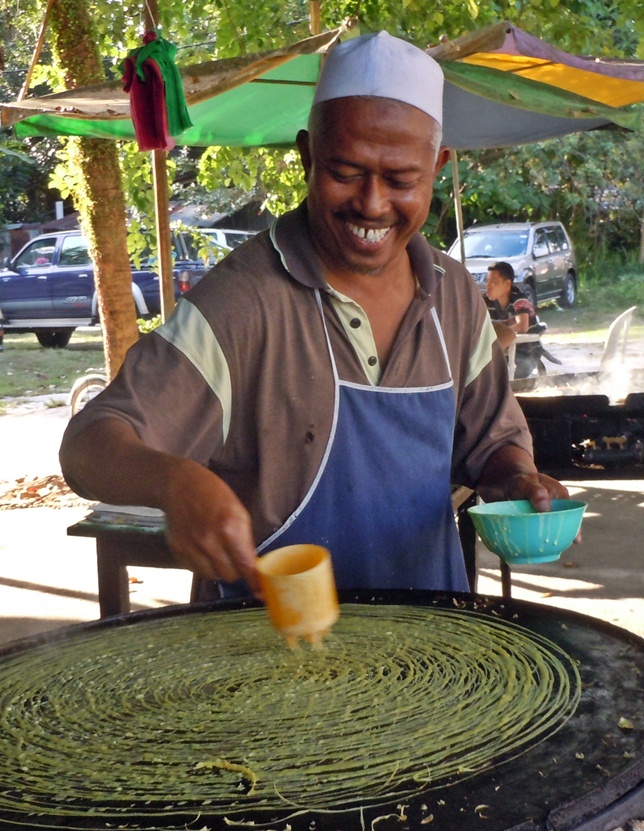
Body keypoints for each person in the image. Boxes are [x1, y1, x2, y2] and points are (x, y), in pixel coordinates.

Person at [60, 31, 568, 597]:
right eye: (346, 172)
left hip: (429, 651)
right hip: (263, 659)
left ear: (438, 164)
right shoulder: (244, 302)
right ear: (306, 155)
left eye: (401, 179)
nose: (372, 204)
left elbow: (492, 443)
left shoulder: (453, 297)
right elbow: (88, 446)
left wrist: (517, 480)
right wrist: (176, 483)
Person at [484, 261, 536, 352]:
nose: (488, 286)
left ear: (507, 284)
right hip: (503, 352)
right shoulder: (486, 301)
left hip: (525, 351)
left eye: (494, 282)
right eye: (487, 281)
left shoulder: (519, 300)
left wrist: (499, 334)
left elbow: (522, 326)